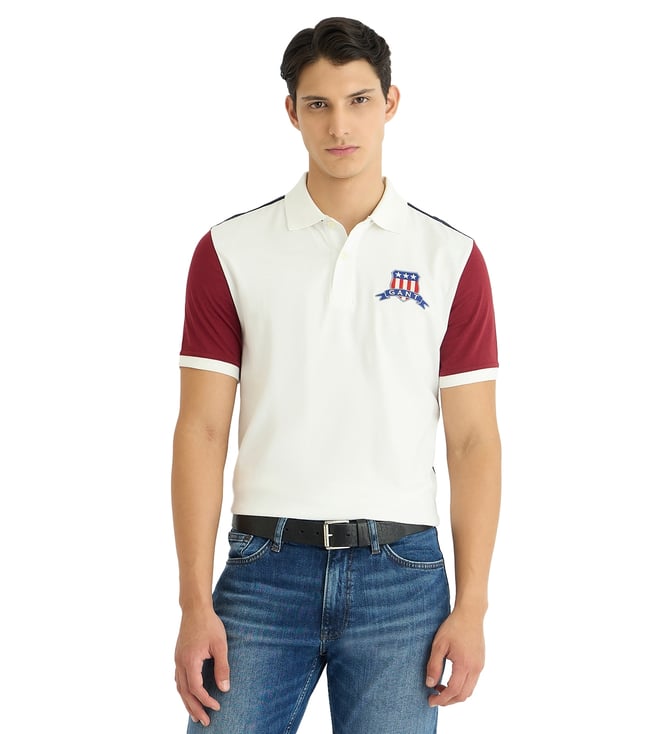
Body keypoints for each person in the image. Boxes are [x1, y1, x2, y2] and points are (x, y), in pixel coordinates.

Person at [172, 16, 501, 734]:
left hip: (403, 579)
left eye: (358, 100)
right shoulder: (229, 251)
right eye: (318, 104)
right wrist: (194, 603)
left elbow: (474, 439)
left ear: (391, 103)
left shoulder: (451, 259)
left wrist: (473, 606)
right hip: (262, 571)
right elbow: (201, 429)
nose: (339, 124)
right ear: (292, 111)